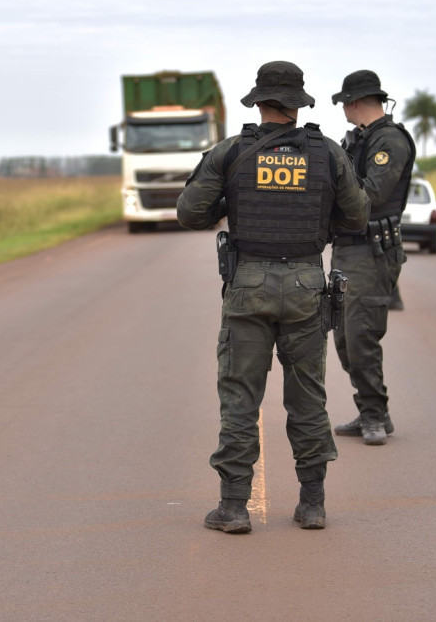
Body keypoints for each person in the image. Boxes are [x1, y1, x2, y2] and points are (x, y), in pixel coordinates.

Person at [177, 61, 369, 533]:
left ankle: (234, 506)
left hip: (248, 287)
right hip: (306, 285)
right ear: (299, 104)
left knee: (240, 397)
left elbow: (189, 213)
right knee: (308, 399)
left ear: (259, 102)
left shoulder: (230, 152)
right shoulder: (326, 153)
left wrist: (229, 200)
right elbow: (358, 215)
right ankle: (312, 504)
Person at [329, 70, 416, 445]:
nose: (344, 111)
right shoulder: (360, 140)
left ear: (355, 103)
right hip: (349, 248)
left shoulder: (389, 141)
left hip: (371, 250)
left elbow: (373, 192)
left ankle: (374, 416)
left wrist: (328, 186)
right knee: (345, 337)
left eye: (345, 104)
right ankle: (372, 407)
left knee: (361, 333)